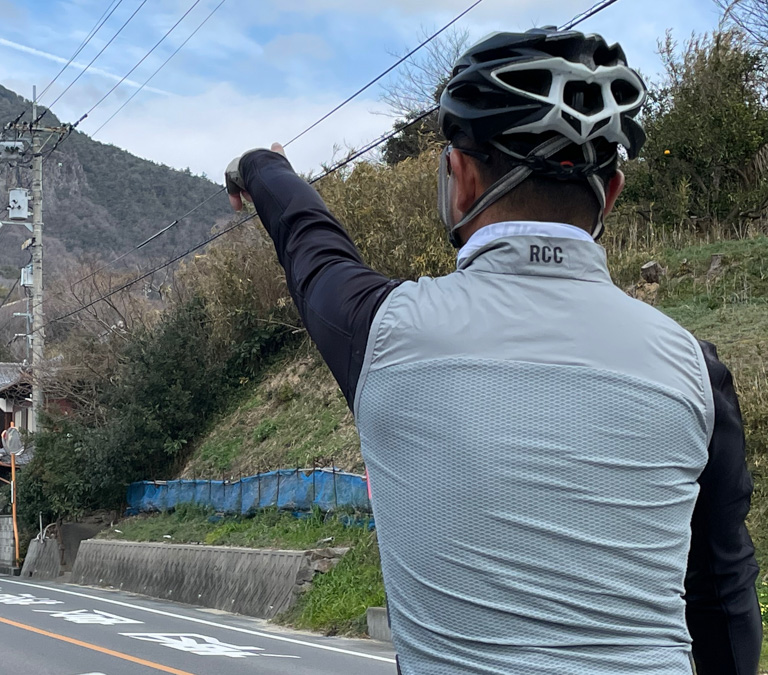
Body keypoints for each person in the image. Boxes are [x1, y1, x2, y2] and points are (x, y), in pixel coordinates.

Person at [225, 28, 760, 674]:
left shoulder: (386, 336)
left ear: (463, 178)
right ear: (611, 195)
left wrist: (262, 168)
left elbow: (311, 246)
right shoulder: (695, 373)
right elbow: (724, 599)